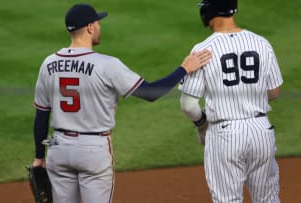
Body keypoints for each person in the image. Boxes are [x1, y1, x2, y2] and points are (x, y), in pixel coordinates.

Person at [32, 3, 212, 203]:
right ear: (90, 27)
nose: (100, 27)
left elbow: (41, 113)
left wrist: (39, 156)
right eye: (98, 23)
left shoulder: (49, 63)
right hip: (93, 150)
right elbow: (150, 92)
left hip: (59, 148)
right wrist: (184, 69)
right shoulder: (107, 64)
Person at [179, 0, 283, 202]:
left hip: (225, 134)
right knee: (268, 198)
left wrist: (202, 125)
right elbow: (274, 91)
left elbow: (188, 105)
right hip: (261, 130)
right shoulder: (261, 42)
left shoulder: (203, 50)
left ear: (208, 11)